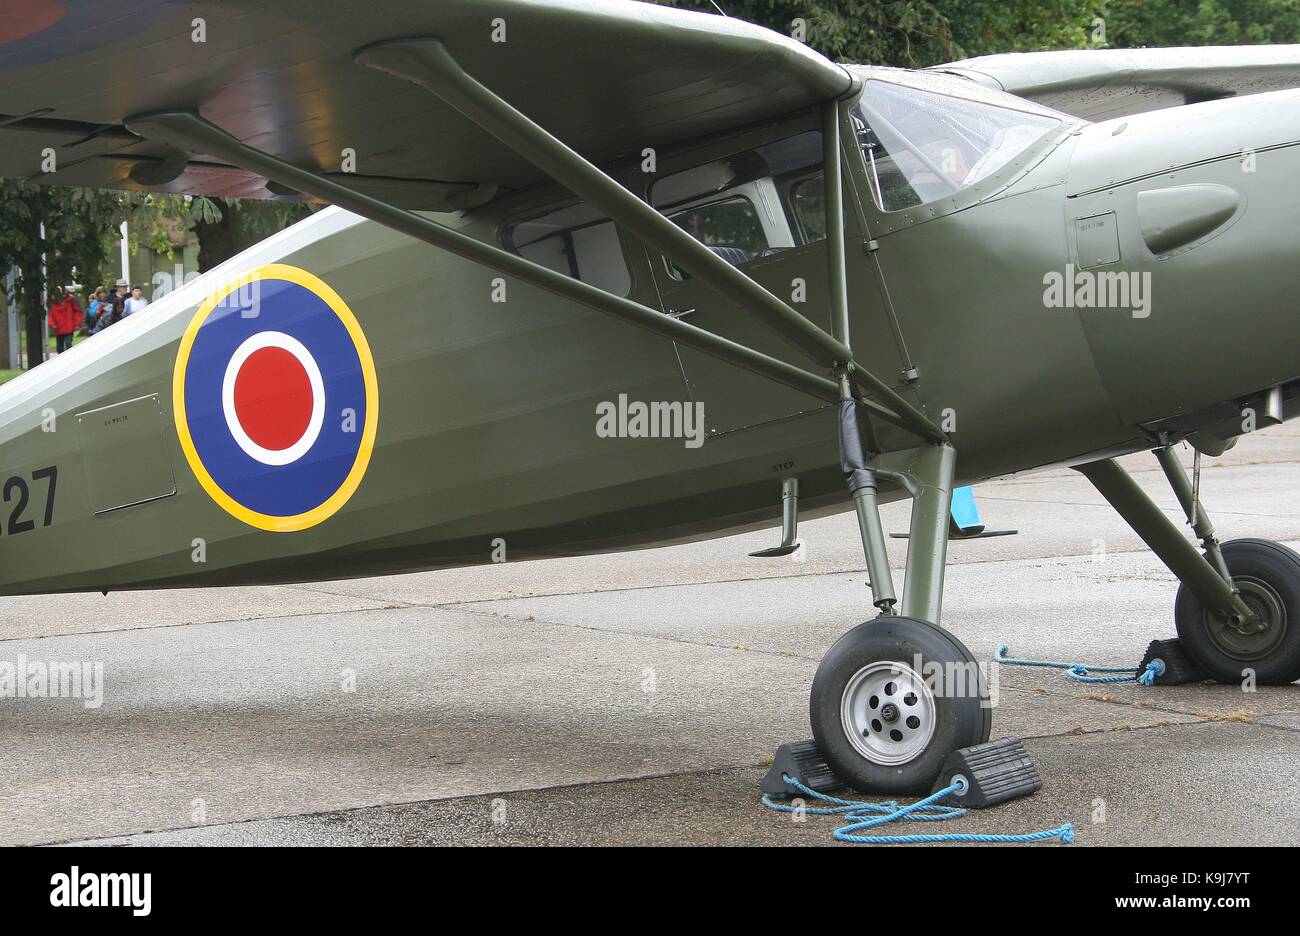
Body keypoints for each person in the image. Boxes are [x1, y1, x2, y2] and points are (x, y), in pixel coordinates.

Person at [47, 288, 82, 354]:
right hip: (59, 328)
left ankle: (70, 358)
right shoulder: (54, 303)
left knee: (68, 344)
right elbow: (51, 315)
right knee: (60, 348)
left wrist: (78, 324)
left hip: (69, 327)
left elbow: (78, 312)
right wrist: (52, 324)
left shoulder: (71, 301)